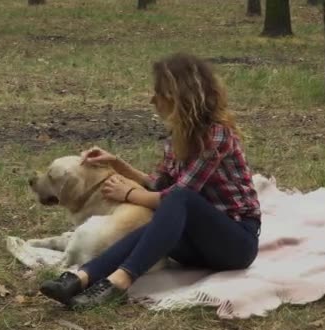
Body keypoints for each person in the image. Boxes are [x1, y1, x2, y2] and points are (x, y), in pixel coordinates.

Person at [39, 52, 262, 310]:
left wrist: (129, 195)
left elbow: (179, 194)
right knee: (158, 221)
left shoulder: (216, 136)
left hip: (235, 244)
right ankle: (82, 277)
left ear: (177, 97)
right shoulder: (176, 137)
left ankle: (119, 282)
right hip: (195, 245)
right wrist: (117, 164)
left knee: (179, 198)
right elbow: (158, 185)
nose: (152, 99)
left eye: (158, 93)